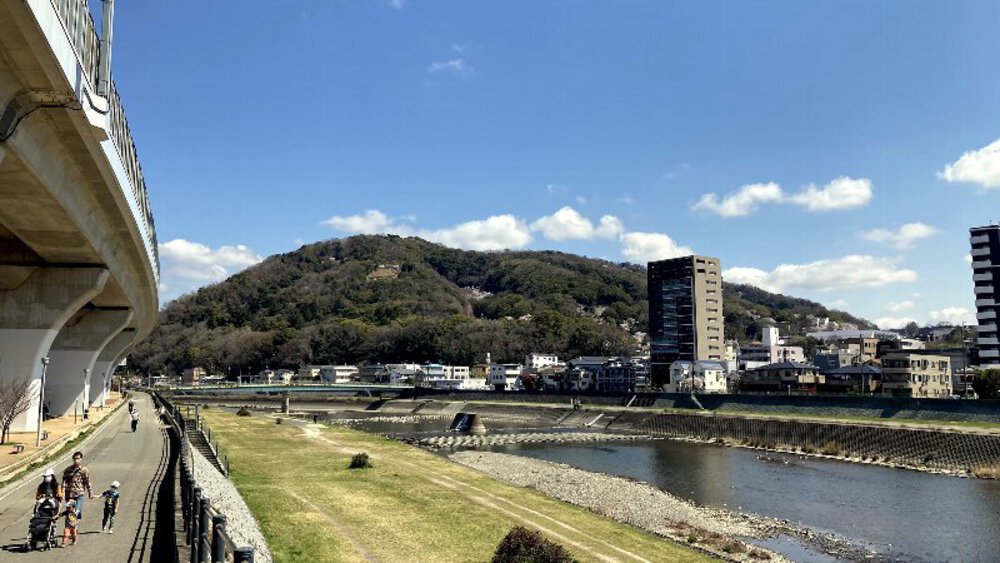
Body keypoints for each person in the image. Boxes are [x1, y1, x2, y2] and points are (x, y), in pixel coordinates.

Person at [61, 451, 94, 520]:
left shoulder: (84, 470)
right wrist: (63, 493)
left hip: (79, 493)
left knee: (77, 512)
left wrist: (90, 493)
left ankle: (75, 527)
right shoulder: (68, 470)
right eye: (75, 458)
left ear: (81, 459)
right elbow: (64, 482)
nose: (76, 460)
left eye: (78, 458)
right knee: (70, 512)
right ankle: (70, 527)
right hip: (69, 494)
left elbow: (87, 482)